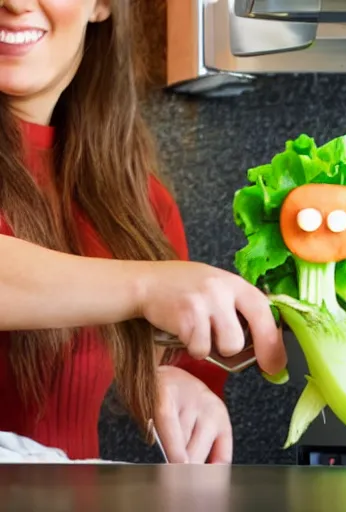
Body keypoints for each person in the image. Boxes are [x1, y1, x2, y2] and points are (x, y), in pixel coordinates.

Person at [0, 0, 286, 464]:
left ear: (101, 5)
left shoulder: (138, 204)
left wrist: (174, 381)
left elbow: (173, 359)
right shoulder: (148, 276)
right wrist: (144, 285)